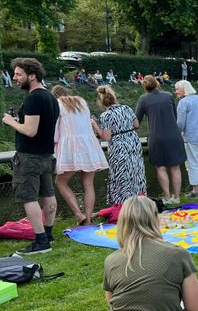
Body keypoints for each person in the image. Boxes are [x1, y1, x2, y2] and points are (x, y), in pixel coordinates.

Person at [59, 196, 198, 311]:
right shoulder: (178, 255)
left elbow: (113, 305)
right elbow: (195, 309)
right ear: (156, 220)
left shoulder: (112, 260)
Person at [2, 58, 59, 254]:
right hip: (46, 155)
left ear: (32, 75)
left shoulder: (34, 98)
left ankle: (41, 242)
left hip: (29, 157)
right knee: (48, 194)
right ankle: (48, 233)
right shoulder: (51, 97)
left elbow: (30, 130)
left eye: (18, 74)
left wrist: (11, 121)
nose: (14, 78)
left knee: (29, 197)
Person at [51, 86, 108, 225]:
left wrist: (53, 144)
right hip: (88, 145)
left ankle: (78, 214)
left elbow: (55, 131)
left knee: (61, 182)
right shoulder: (81, 102)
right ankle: (88, 219)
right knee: (88, 183)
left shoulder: (57, 105)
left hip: (70, 147)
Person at [135, 75, 186, 205]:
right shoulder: (168, 96)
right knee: (175, 167)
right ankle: (177, 196)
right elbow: (174, 116)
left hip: (156, 137)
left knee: (160, 168)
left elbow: (137, 121)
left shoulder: (143, 99)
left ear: (145, 86)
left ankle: (167, 197)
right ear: (157, 83)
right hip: (173, 135)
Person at [92, 86, 146, 207]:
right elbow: (136, 124)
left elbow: (106, 137)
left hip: (119, 146)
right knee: (136, 172)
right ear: (114, 97)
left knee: (121, 175)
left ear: (102, 102)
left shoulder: (106, 115)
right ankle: (140, 200)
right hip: (133, 142)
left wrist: (95, 126)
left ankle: (123, 204)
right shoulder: (126, 108)